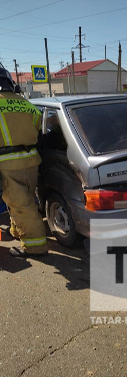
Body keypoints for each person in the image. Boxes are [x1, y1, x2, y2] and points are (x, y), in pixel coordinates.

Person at [0, 67, 48, 256]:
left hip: (7, 163)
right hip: (31, 160)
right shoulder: (26, 104)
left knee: (22, 205)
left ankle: (35, 247)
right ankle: (17, 231)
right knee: (24, 199)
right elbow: (39, 131)